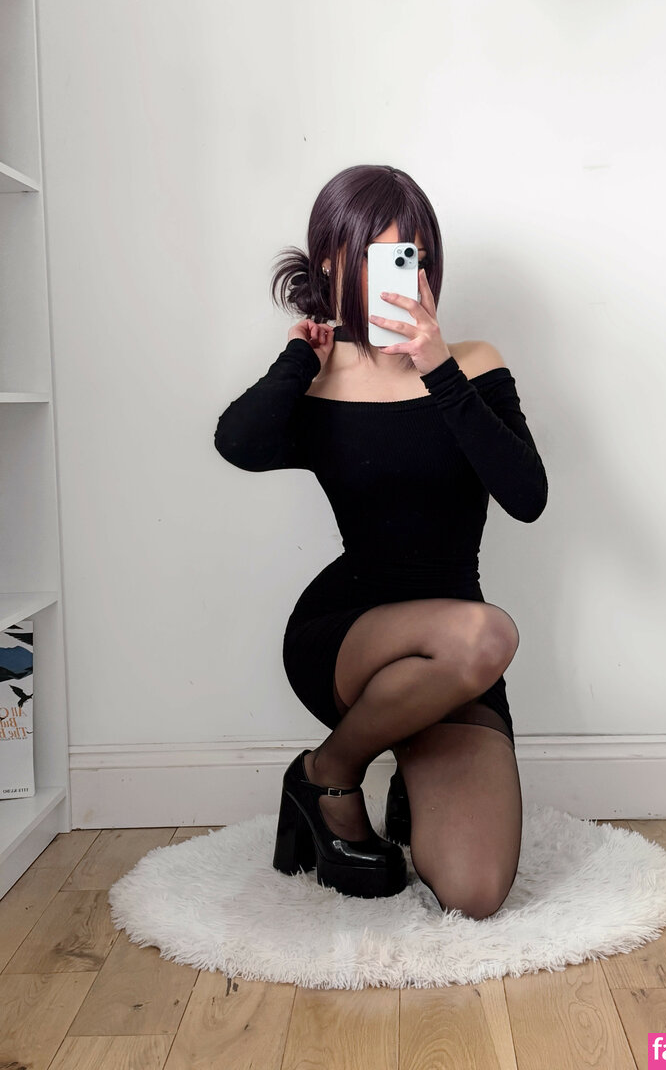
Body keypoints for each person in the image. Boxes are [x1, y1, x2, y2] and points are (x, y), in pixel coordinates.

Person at [214, 164, 548, 919]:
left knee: (474, 893)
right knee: (488, 634)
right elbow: (237, 443)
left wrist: (439, 371)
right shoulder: (318, 379)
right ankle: (327, 775)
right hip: (349, 635)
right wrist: (301, 357)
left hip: (457, 660)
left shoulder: (472, 364)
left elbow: (527, 497)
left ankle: (403, 774)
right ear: (332, 263)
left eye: (413, 255)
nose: (402, 273)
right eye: (378, 255)